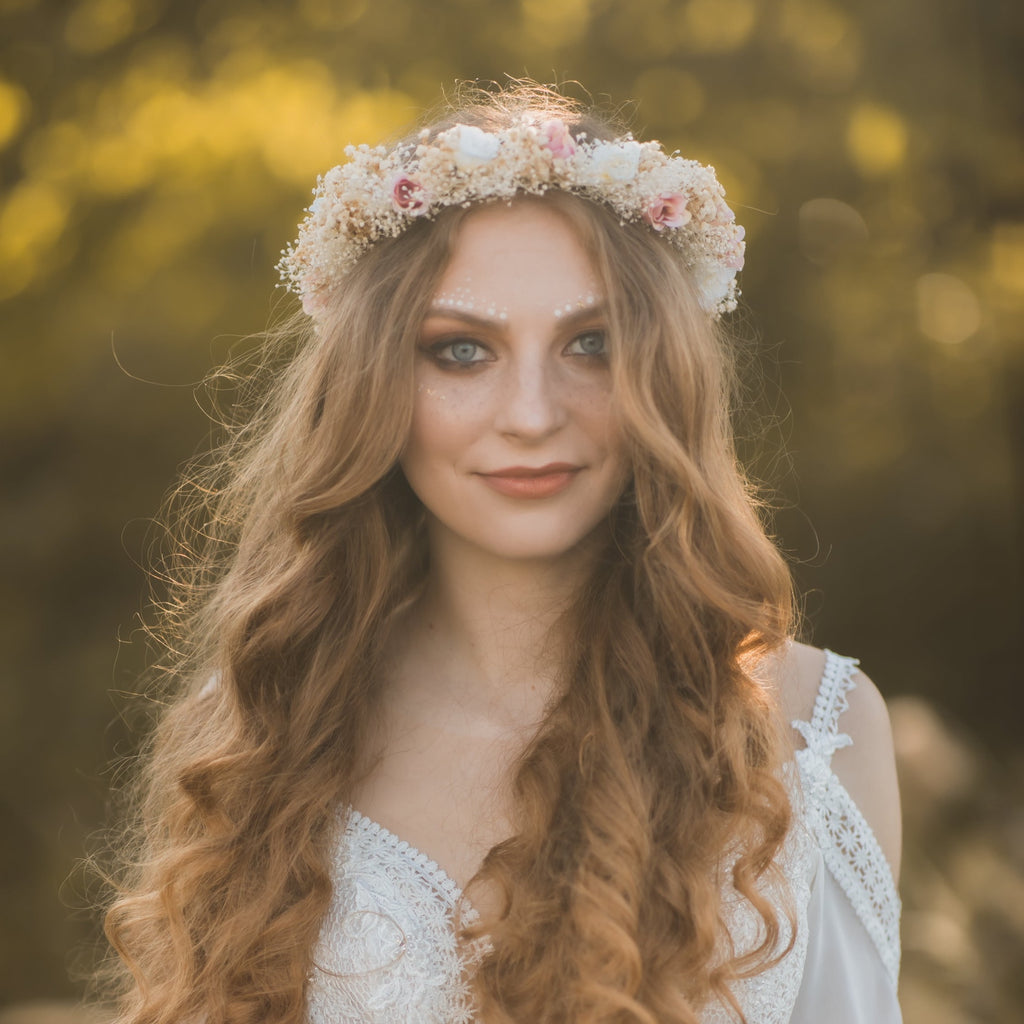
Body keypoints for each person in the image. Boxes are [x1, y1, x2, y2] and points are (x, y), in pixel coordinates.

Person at [98, 82, 902, 1024]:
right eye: (462, 351)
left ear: (664, 376)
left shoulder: (810, 731)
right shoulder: (264, 720)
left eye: (591, 344)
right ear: (374, 386)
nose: (531, 415)